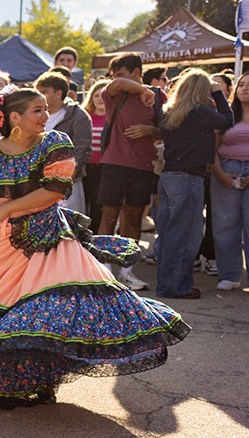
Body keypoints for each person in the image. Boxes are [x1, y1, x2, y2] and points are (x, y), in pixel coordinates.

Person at [0, 87, 188, 409]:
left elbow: (55, 190)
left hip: (48, 238)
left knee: (42, 316)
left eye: (45, 109)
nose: (45, 115)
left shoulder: (54, 144)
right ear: (14, 117)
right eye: (37, 110)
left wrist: (6, 209)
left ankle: (33, 379)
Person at [154, 70, 232, 299]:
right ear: (201, 90)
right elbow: (227, 120)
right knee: (185, 235)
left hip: (168, 178)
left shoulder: (169, 112)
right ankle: (176, 287)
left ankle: (168, 284)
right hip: (188, 179)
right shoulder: (199, 112)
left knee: (170, 234)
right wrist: (219, 94)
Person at [98, 54, 164, 290]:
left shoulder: (158, 97)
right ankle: (104, 272)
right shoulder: (113, 92)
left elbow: (165, 129)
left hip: (143, 166)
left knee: (134, 217)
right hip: (114, 163)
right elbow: (117, 85)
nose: (115, 79)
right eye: (113, 75)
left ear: (136, 71)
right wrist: (144, 90)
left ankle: (126, 272)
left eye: (122, 73)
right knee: (109, 216)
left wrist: (149, 130)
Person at [210, 71, 249, 297]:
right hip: (226, 171)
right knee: (224, 225)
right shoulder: (226, 114)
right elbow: (212, 149)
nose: (244, 89)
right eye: (241, 85)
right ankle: (229, 275)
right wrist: (220, 174)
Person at [35, 72, 93, 215]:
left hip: (68, 182)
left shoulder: (77, 115)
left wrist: (69, 176)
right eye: (38, 92)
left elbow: (83, 149)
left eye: (44, 92)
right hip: (36, 181)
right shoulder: (33, 114)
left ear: (58, 93)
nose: (40, 96)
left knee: (69, 228)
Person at [82, 79, 111, 230]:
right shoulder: (85, 117)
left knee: (98, 204)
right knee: (84, 202)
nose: (100, 98)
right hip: (86, 166)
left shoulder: (113, 118)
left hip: (105, 168)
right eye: (96, 95)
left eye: (103, 95)